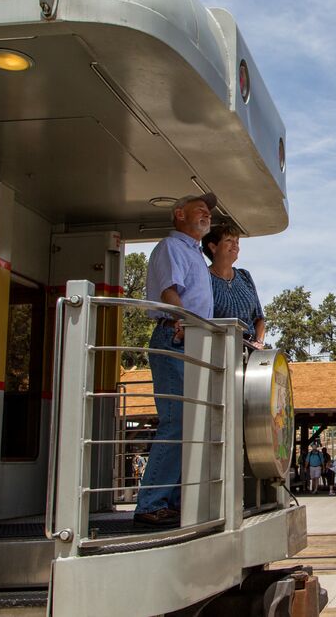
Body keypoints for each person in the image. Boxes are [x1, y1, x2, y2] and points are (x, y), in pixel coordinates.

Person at [134, 193, 216, 529]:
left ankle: (175, 500)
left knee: (193, 422)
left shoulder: (195, 254)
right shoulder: (172, 247)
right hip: (176, 336)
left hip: (195, 342)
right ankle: (151, 502)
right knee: (178, 419)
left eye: (209, 212)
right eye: (200, 210)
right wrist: (181, 321)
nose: (207, 215)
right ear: (179, 214)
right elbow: (170, 291)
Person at [201, 224, 265, 347]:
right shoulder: (203, 278)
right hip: (217, 351)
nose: (235, 245)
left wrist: (259, 342)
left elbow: (259, 319)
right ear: (213, 247)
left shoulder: (244, 276)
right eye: (229, 240)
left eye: (237, 241)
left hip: (250, 352)